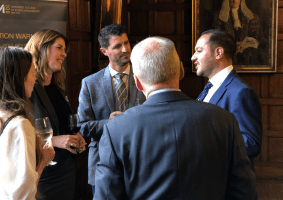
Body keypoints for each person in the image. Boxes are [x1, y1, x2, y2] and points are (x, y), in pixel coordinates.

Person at [94, 36, 257, 199]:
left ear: (137, 82)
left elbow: (107, 196)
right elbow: (244, 192)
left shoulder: (116, 129)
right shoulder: (224, 120)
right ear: (180, 70)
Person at [77, 24, 146, 195]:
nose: (126, 49)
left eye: (127, 43)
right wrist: (108, 123)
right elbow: (83, 126)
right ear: (104, 51)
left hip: (141, 162)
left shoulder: (146, 77)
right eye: (117, 46)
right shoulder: (90, 83)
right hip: (103, 164)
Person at [0, 46, 55, 199]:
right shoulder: (19, 125)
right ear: (20, 77)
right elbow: (23, 195)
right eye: (33, 73)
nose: (35, 78)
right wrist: (43, 161)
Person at [25, 29, 87, 200]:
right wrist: (55, 141)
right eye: (59, 48)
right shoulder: (27, 88)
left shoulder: (57, 86)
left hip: (66, 170)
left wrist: (76, 136)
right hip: (43, 174)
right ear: (40, 47)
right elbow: (20, 135)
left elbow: (62, 124)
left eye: (64, 49)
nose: (64, 54)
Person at [191, 29, 262, 171]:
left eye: (199, 51)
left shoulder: (240, 92)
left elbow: (251, 144)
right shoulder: (209, 88)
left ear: (218, 53)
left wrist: (204, 144)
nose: (193, 57)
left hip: (227, 188)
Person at [213, 0, 265, 65]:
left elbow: (258, 38)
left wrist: (246, 44)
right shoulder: (218, 17)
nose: (234, 1)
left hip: (246, 57)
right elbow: (216, 39)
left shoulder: (252, 17)